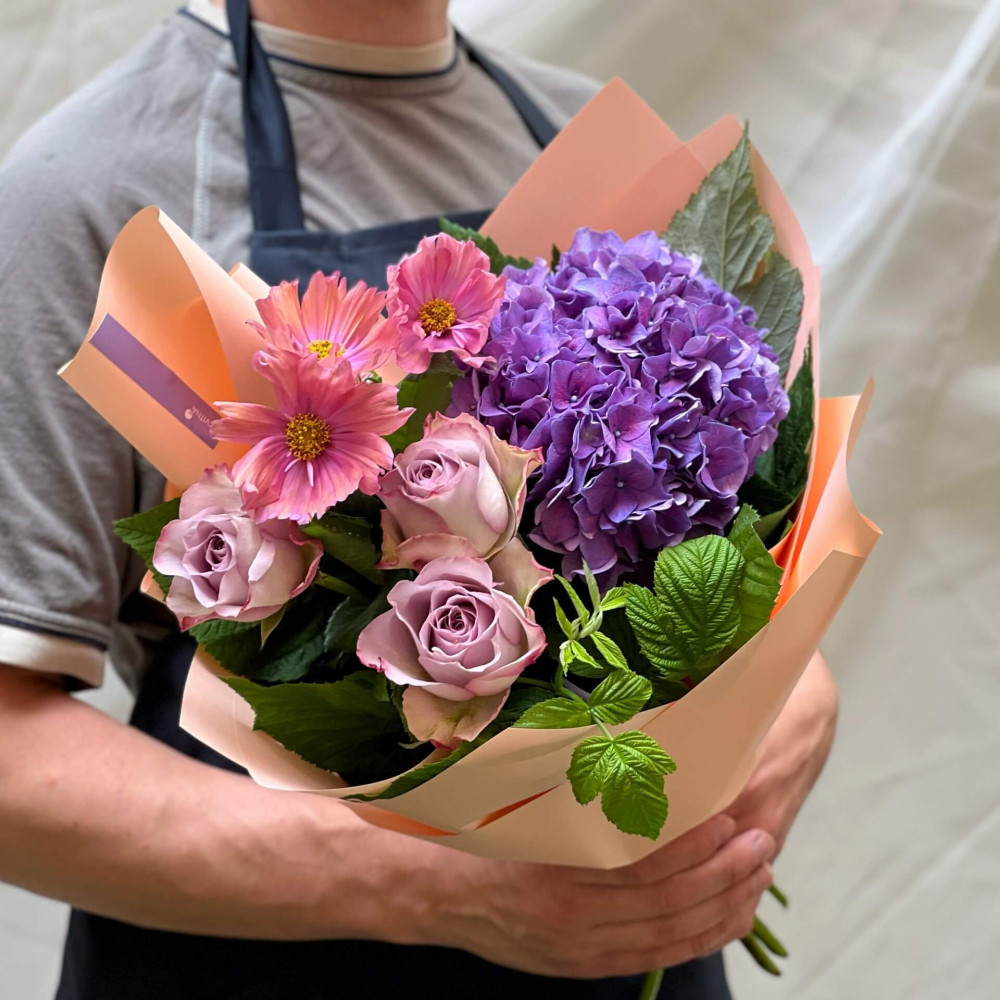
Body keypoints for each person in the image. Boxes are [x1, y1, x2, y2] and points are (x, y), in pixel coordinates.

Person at [0, 1, 840, 997]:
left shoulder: (593, 148)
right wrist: (444, 888)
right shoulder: (90, 188)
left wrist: (793, 701)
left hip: (636, 954)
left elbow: (735, 546)